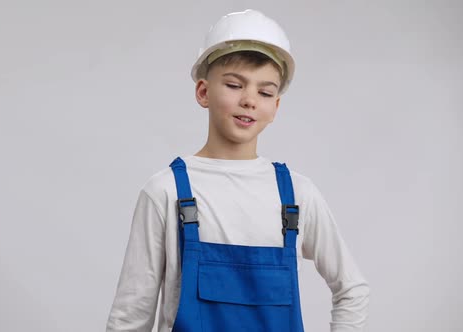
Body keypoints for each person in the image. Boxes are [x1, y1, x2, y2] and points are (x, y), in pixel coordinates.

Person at [106, 9, 370, 332]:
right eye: (234, 85)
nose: (249, 100)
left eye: (265, 92)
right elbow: (130, 318)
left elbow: (352, 289)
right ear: (203, 92)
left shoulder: (297, 197)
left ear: (276, 106)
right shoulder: (166, 192)